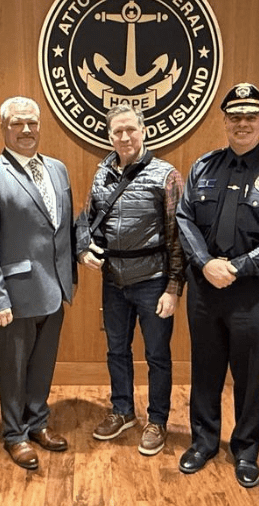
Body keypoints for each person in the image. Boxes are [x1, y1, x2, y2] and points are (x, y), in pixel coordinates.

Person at [175, 83, 259, 487]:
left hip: (253, 292)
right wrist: (205, 262)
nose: (243, 124)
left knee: (250, 377)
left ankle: (246, 450)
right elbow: (184, 219)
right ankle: (203, 441)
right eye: (235, 117)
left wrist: (239, 266)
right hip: (205, 290)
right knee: (206, 370)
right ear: (225, 121)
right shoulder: (203, 167)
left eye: (251, 117)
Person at [0, 96, 76, 470]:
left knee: (42, 365)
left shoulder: (58, 170)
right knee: (13, 369)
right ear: (4, 128)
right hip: (13, 294)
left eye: (31, 122)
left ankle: (38, 423)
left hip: (55, 288)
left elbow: (64, 228)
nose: (26, 130)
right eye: (17, 123)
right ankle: (15, 434)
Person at [76, 104, 185, 456]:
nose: (124, 137)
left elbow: (178, 237)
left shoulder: (165, 175)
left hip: (153, 280)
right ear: (109, 136)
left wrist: (173, 287)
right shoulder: (102, 173)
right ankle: (122, 410)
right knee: (116, 351)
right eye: (117, 131)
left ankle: (157, 420)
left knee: (157, 355)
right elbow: (85, 219)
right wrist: (82, 249)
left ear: (144, 131)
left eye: (130, 130)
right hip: (114, 281)